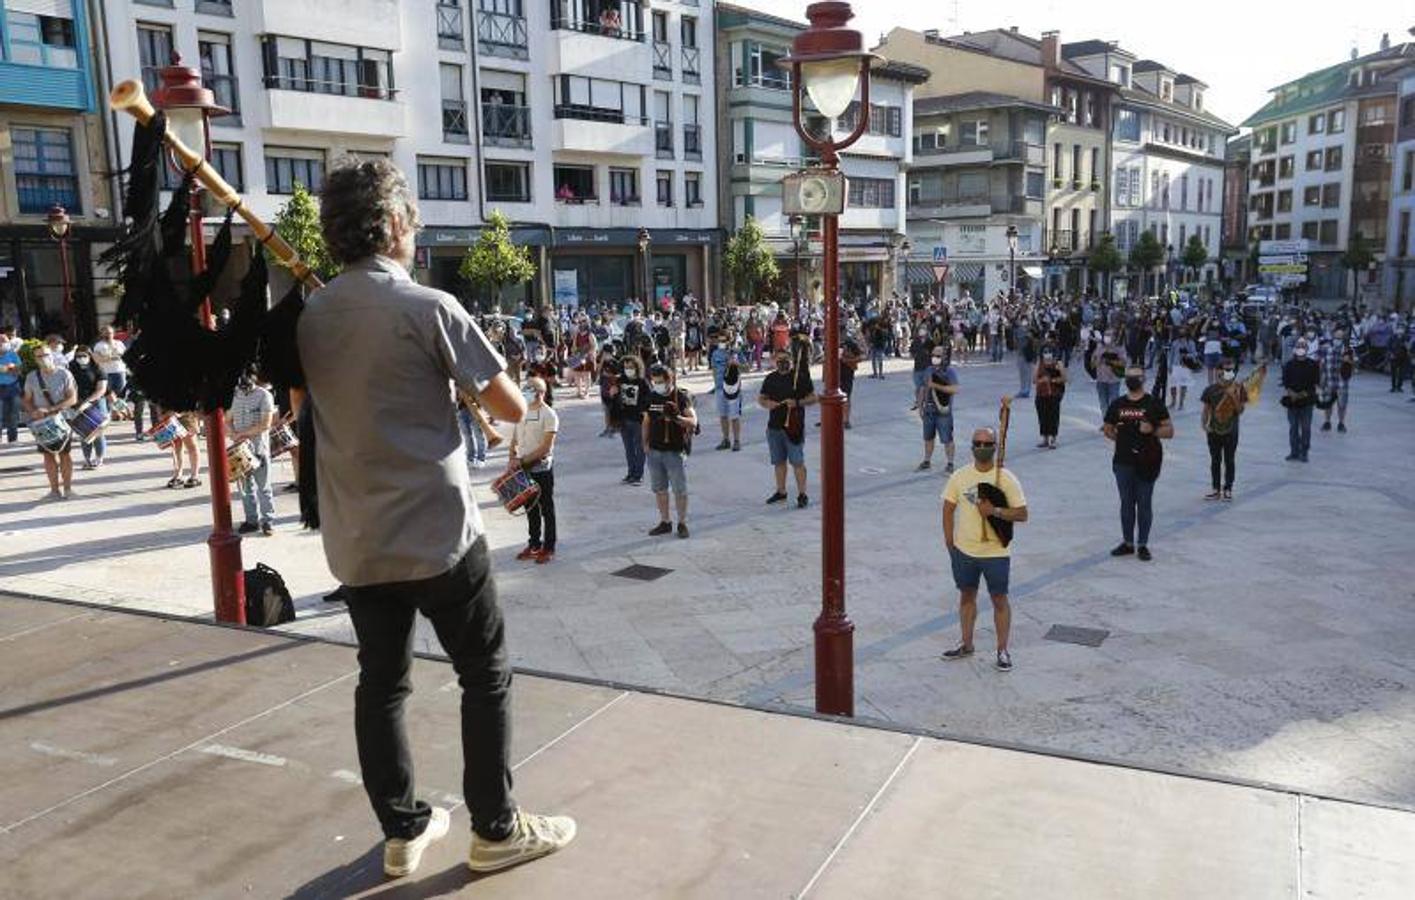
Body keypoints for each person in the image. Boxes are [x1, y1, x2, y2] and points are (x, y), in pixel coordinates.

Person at [297, 158, 573, 879]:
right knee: (485, 674)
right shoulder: (429, 307)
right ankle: (495, 828)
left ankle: (402, 829)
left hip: (356, 536)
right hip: (438, 533)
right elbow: (512, 406)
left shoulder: (313, 314)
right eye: (411, 221)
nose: (414, 233)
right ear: (392, 225)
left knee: (380, 682)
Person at [941, 426, 1029, 672]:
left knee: (999, 598)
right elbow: (948, 508)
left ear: (995, 447)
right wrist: (950, 542)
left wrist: (996, 511)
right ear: (971, 447)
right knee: (966, 595)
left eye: (986, 444)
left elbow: (1022, 514)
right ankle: (966, 643)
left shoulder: (1006, 478)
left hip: (995, 552)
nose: (982, 448)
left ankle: (1002, 649)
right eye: (977, 444)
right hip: (965, 550)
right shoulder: (959, 476)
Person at [1103, 365, 1174, 561]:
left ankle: (1142, 544)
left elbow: (1169, 431)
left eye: (1136, 377)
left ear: (1143, 379)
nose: (1132, 380)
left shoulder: (1154, 403)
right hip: (1123, 461)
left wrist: (1151, 430)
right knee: (1126, 503)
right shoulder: (1117, 404)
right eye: (1129, 377)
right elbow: (1107, 428)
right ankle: (1127, 542)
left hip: (1147, 462)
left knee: (1144, 503)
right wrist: (1122, 438)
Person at [509, 377, 559, 564]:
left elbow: (546, 448)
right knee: (530, 509)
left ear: (541, 393)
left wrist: (521, 462)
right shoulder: (521, 412)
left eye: (531, 389)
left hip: (541, 469)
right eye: (526, 388)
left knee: (546, 508)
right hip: (523, 469)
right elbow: (514, 440)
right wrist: (512, 459)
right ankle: (534, 544)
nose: (526, 392)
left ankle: (549, 547)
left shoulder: (549, 415)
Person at [758, 348, 816, 508]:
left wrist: (797, 403)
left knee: (797, 461)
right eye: (779, 359)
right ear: (775, 361)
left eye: (786, 359)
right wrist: (767, 404)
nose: (782, 362)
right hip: (774, 426)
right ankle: (781, 491)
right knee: (778, 462)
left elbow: (813, 397)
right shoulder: (770, 379)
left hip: (794, 427)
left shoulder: (800, 378)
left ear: (791, 360)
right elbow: (761, 398)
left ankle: (802, 494)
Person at [642, 362, 695, 538]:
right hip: (655, 450)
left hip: (674, 450)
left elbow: (693, 421)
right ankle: (665, 521)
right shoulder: (651, 397)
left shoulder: (680, 396)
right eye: (654, 381)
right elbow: (646, 421)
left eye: (660, 381)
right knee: (660, 489)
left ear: (668, 379)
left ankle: (682, 523)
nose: (657, 385)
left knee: (680, 489)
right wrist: (645, 443)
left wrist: (677, 417)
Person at [23, 344, 78, 498]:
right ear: (35, 359)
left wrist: (49, 410)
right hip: (42, 423)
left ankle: (68, 489)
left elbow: (72, 398)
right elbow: (27, 399)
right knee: (48, 456)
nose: (43, 358)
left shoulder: (64, 374)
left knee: (65, 454)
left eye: (46, 354)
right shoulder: (31, 377)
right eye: (39, 356)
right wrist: (33, 412)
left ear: (52, 355)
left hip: (63, 419)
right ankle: (54, 490)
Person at [226, 366, 277, 535]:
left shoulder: (264, 395)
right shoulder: (235, 395)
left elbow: (266, 424)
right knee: (246, 489)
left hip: (258, 449)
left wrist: (242, 434)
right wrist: (232, 433)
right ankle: (251, 520)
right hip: (241, 450)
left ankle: (268, 521)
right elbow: (227, 419)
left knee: (264, 487)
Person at [1199, 359, 1245, 501]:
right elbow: (1206, 409)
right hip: (1213, 430)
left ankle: (1228, 489)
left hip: (1231, 431)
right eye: (1224, 369)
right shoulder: (1210, 390)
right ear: (1218, 371)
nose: (1227, 372)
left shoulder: (1239, 389)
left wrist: (1232, 396)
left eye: (1231, 370)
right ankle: (1215, 489)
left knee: (1229, 460)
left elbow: (1240, 410)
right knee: (1215, 460)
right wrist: (1204, 424)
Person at [916, 346, 958, 471]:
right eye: (933, 355)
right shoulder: (928, 370)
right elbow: (923, 388)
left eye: (938, 356)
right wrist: (920, 406)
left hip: (943, 410)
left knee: (947, 438)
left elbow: (954, 389)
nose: (935, 358)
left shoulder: (949, 372)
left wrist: (936, 385)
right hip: (928, 409)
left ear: (944, 357)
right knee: (928, 437)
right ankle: (927, 460)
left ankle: (950, 463)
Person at [68, 346, 110, 469]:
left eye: (84, 356)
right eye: (78, 356)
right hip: (77, 403)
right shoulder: (71, 368)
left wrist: (88, 401)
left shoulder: (98, 369)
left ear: (90, 356)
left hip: (96, 403)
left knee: (97, 432)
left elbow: (101, 389)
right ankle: (87, 460)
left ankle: (99, 458)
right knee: (84, 433)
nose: (81, 358)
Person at [1281, 338, 1320, 463]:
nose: (1300, 348)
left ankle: (1304, 451)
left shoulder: (1313, 365)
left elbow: (1315, 383)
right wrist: (1291, 393)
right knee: (1293, 427)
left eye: (1303, 346)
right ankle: (1294, 451)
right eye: (1298, 346)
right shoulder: (1289, 364)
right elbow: (1286, 383)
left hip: (1307, 401)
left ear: (1307, 349)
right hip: (1292, 401)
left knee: (1306, 427)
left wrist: (1303, 394)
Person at [612, 354, 646, 484]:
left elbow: (649, 399)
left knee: (639, 447)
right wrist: (613, 393)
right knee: (629, 448)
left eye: (631, 367)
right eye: (626, 367)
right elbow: (614, 400)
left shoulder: (642, 382)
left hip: (637, 419)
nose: (628, 369)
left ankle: (639, 474)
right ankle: (631, 473)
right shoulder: (620, 381)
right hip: (623, 419)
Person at [708, 333, 743, 450]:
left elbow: (747, 367)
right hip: (719, 388)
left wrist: (736, 364)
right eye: (719, 340)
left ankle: (737, 441)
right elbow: (713, 368)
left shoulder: (735, 352)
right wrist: (715, 383)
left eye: (724, 340)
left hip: (733, 387)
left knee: (734, 416)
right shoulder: (715, 353)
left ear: (729, 341)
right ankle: (725, 439)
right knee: (723, 415)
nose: (721, 343)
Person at [1033, 347, 1066, 449]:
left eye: (1049, 352)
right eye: (1045, 352)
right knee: (1042, 416)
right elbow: (1034, 380)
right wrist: (1041, 380)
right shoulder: (1039, 364)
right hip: (1041, 394)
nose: (1047, 354)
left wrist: (1052, 380)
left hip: (1054, 394)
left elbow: (1065, 378)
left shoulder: (1058, 364)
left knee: (1053, 416)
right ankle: (1045, 438)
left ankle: (1053, 439)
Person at [1319, 336, 1354, 434]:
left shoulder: (1348, 350)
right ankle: (1327, 422)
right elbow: (1322, 364)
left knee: (1342, 404)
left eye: (1340, 338)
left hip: (1342, 381)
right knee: (1327, 403)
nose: (1337, 340)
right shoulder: (1326, 349)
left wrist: (1348, 361)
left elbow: (1355, 364)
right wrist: (1321, 379)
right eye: (1336, 337)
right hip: (1329, 380)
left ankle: (1341, 423)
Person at [1091, 332, 1124, 420]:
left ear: (1114, 337)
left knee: (1113, 403)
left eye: (1109, 335)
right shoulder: (1099, 348)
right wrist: (1098, 359)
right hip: (1101, 380)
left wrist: (1110, 361)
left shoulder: (1119, 348)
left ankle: (1113, 422)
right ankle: (1107, 422)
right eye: (1106, 335)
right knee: (1103, 404)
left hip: (1114, 380)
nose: (1107, 337)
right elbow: (1092, 364)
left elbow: (1123, 363)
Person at [1, 328, 25, 443]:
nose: (3, 343)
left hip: (13, 387)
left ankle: (13, 439)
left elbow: (19, 371)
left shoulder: (13, 355)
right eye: (1, 341)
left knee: (14, 415)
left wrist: (11, 369)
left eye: (4, 341)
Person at [92, 325, 128, 398]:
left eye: (110, 333)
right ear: (102, 334)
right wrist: (112, 358)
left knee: (121, 395)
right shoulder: (99, 345)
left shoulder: (119, 343)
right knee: (109, 396)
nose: (108, 334)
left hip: (120, 372)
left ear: (113, 333)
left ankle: (120, 409)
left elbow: (126, 356)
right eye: (106, 333)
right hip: (106, 373)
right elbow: (97, 360)